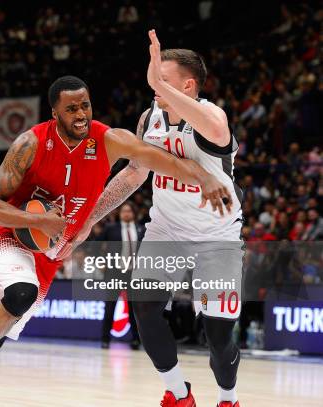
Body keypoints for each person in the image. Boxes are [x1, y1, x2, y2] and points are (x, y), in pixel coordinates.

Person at [0, 75, 232, 406]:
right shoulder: (30, 144)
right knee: (21, 293)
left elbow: (158, 160)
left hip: (51, 253)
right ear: (55, 113)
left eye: (85, 105)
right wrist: (38, 220)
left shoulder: (108, 140)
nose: (80, 114)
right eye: (71, 109)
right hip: (11, 235)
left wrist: (204, 176)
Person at [80, 31, 244, 407]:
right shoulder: (149, 118)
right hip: (166, 229)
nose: (154, 84)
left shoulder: (213, 118)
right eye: (153, 76)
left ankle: (228, 398)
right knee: (144, 304)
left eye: (163, 78)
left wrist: (158, 83)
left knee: (218, 337)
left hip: (216, 235)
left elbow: (213, 128)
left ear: (188, 86)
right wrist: (90, 217)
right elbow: (134, 173)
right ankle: (178, 392)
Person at [99, 202, 144, 349]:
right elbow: (97, 243)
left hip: (133, 274)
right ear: (119, 213)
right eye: (124, 211)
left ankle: (136, 340)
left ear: (133, 213)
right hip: (115, 273)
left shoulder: (141, 229)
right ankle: (105, 339)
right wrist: (101, 260)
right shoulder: (111, 228)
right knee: (110, 306)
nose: (126, 213)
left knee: (134, 309)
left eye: (129, 211)